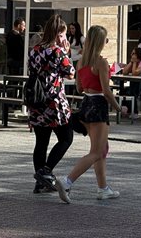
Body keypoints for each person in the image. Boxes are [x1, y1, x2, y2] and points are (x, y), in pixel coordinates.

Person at [55, 25, 121, 204]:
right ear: (101, 42)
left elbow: (79, 88)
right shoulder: (101, 62)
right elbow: (107, 92)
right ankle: (67, 181)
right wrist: (119, 108)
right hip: (99, 105)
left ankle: (103, 188)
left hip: (86, 104)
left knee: (102, 149)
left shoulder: (80, 61)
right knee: (96, 151)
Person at [28, 15, 75, 195]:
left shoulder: (35, 50)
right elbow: (70, 73)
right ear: (57, 34)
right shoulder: (57, 51)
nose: (64, 39)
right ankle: (45, 171)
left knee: (41, 142)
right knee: (66, 138)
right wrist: (66, 52)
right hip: (54, 102)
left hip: (37, 100)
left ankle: (40, 183)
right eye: (63, 35)